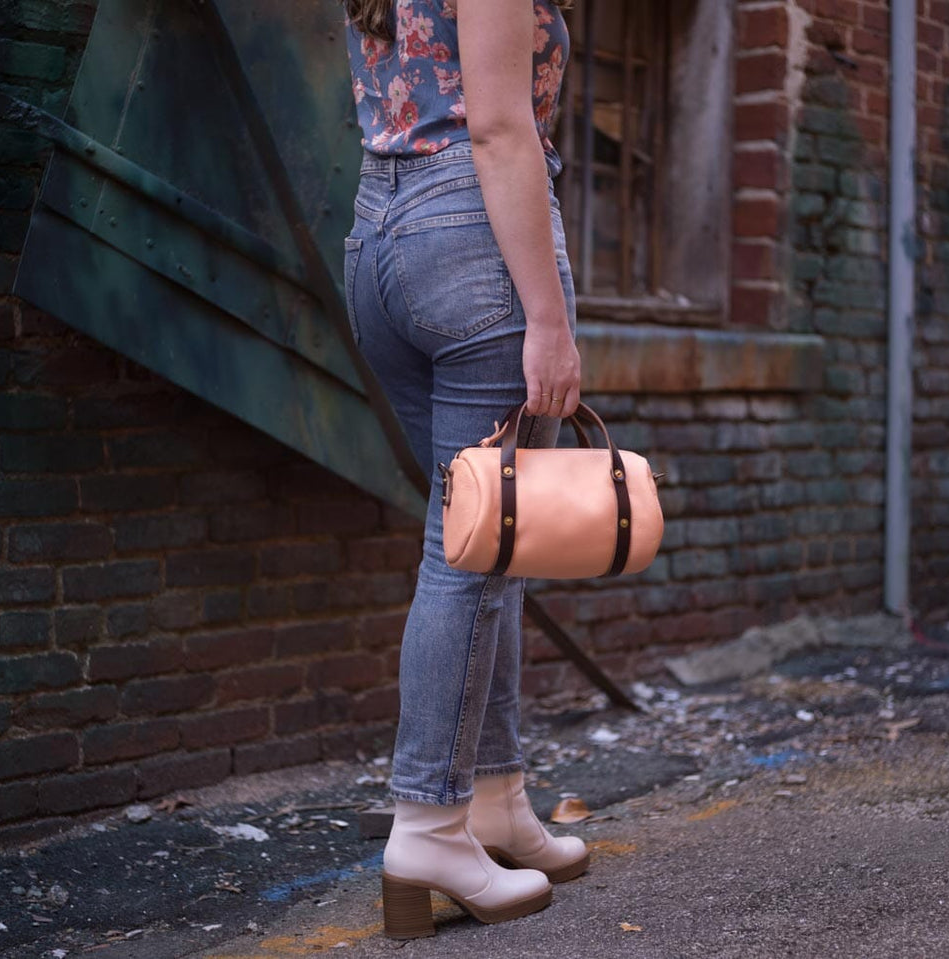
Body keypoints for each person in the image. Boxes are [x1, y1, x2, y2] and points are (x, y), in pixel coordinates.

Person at [341, 0, 588, 939]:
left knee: (488, 536)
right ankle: (429, 820)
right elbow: (493, 124)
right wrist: (549, 319)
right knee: (469, 552)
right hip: (471, 242)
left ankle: (492, 799)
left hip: (380, 238)